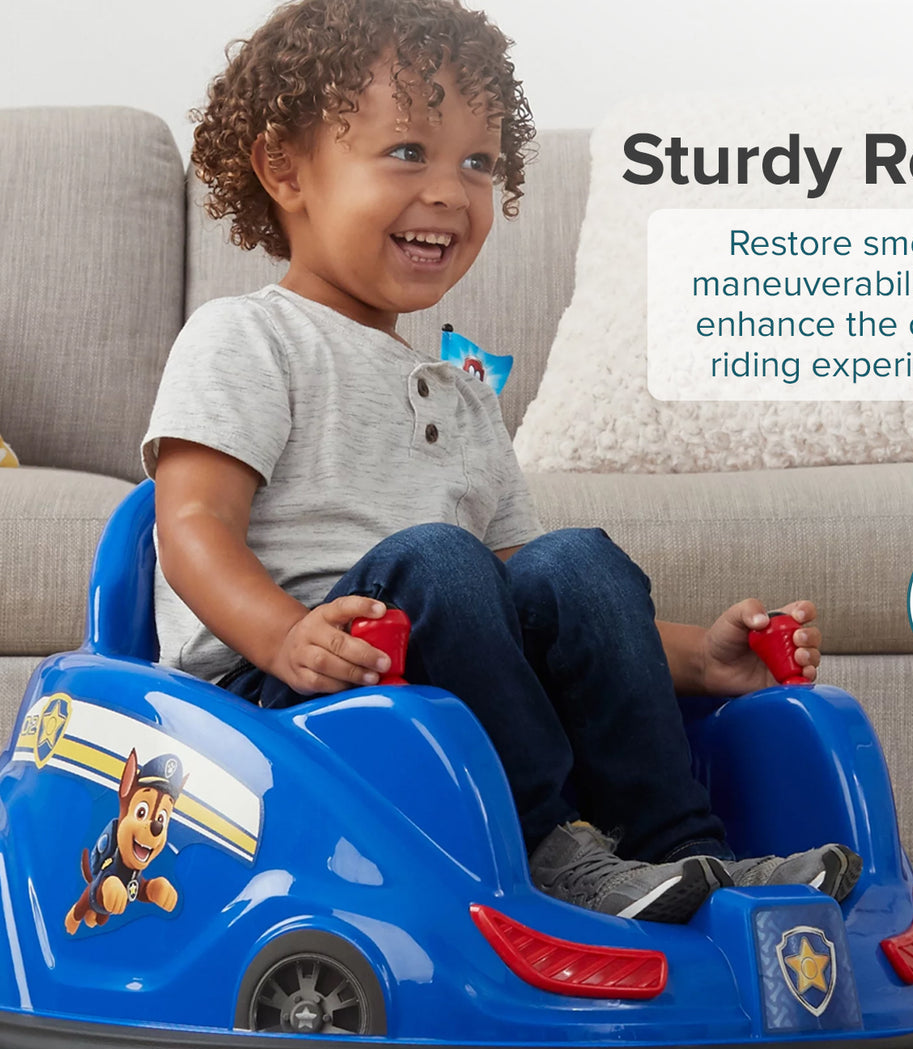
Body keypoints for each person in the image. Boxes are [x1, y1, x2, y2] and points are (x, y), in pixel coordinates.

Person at [142, 0, 862, 924]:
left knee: (576, 559)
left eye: (477, 163)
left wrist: (702, 660)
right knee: (442, 556)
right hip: (284, 703)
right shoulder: (247, 337)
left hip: (435, 677)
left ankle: (681, 851)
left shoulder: (464, 392)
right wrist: (283, 633)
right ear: (286, 169)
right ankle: (547, 852)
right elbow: (191, 524)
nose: (450, 190)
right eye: (408, 152)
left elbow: (531, 605)